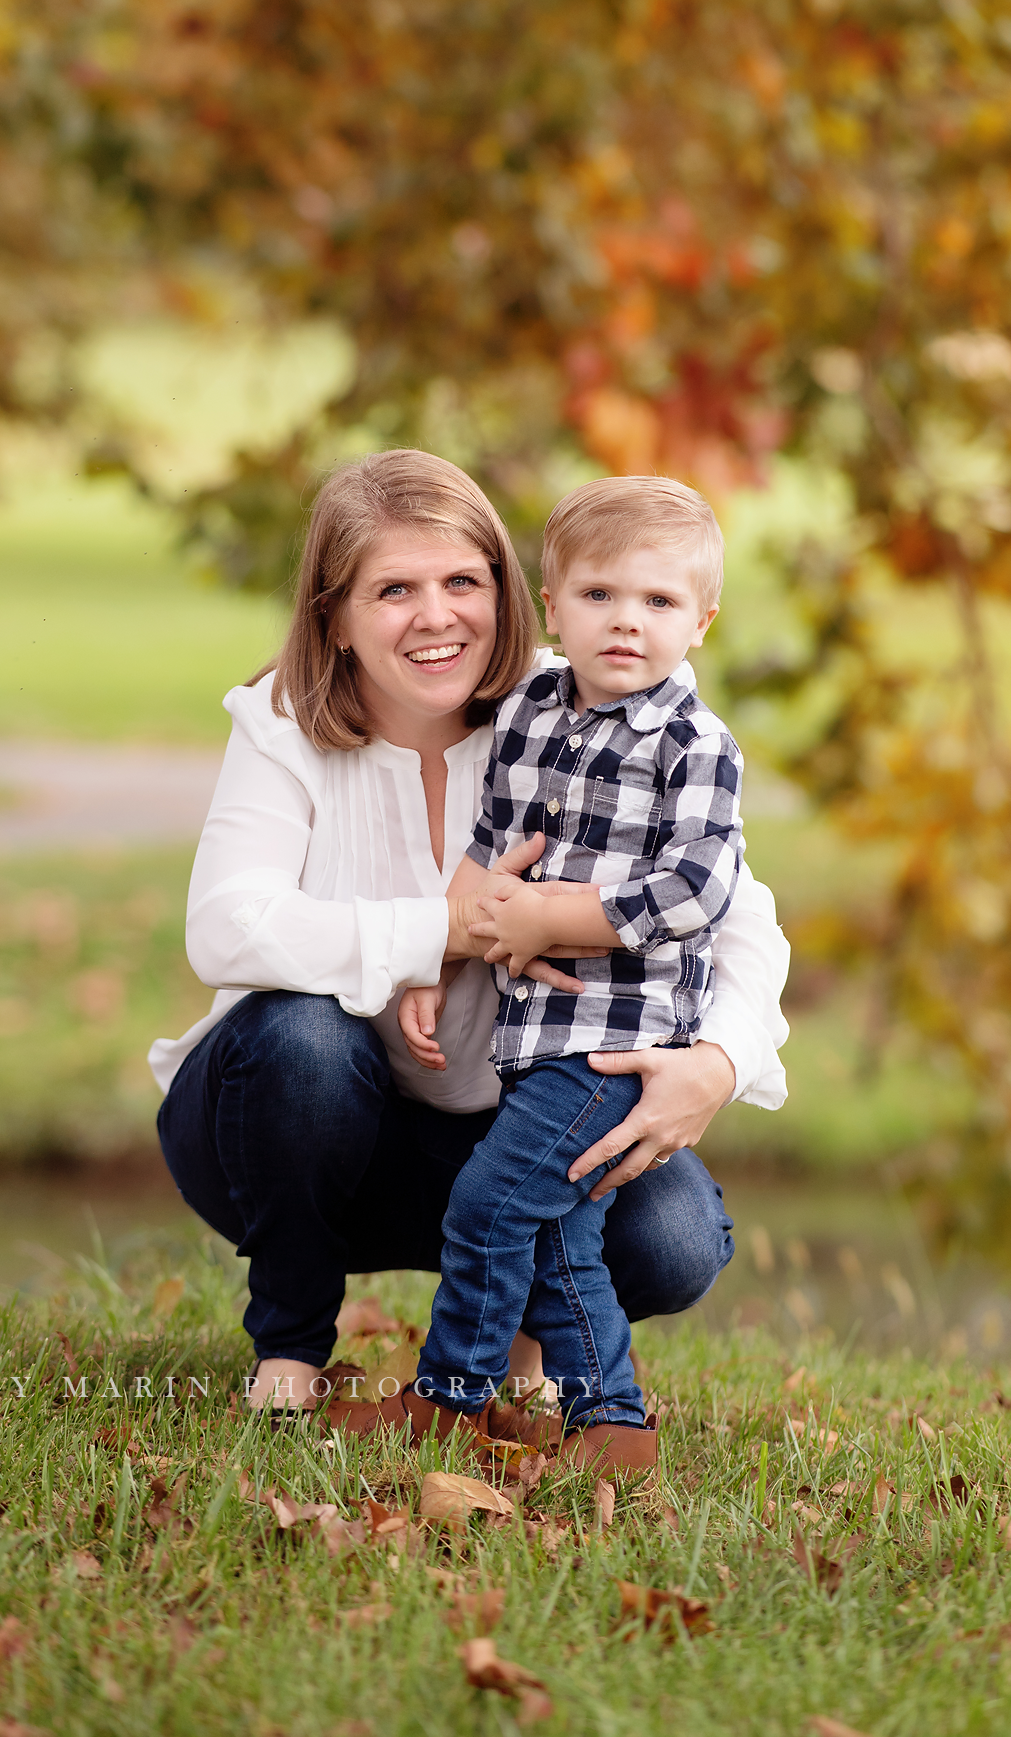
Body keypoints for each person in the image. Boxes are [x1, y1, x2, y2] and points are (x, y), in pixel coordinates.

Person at [149, 451, 790, 1417]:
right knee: (300, 1038)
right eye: (392, 589)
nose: (436, 616)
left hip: (507, 1123)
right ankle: (288, 1345)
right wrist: (438, 934)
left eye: (462, 581)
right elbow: (226, 929)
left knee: (673, 1238)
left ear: (508, 592)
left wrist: (720, 1062)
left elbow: (742, 919)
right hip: (306, 1129)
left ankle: (530, 1342)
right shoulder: (287, 718)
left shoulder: (580, 701)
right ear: (335, 614)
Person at [337, 477, 744, 1476]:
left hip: (617, 1043)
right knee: (560, 1234)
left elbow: (695, 889)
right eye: (600, 596)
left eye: (658, 602)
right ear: (551, 607)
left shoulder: (695, 747)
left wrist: (552, 918)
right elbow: (491, 839)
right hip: (534, 1034)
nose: (626, 622)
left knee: (488, 1204)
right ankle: (613, 1423)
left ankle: (449, 1400)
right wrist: (446, 949)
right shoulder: (530, 708)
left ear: (701, 622)